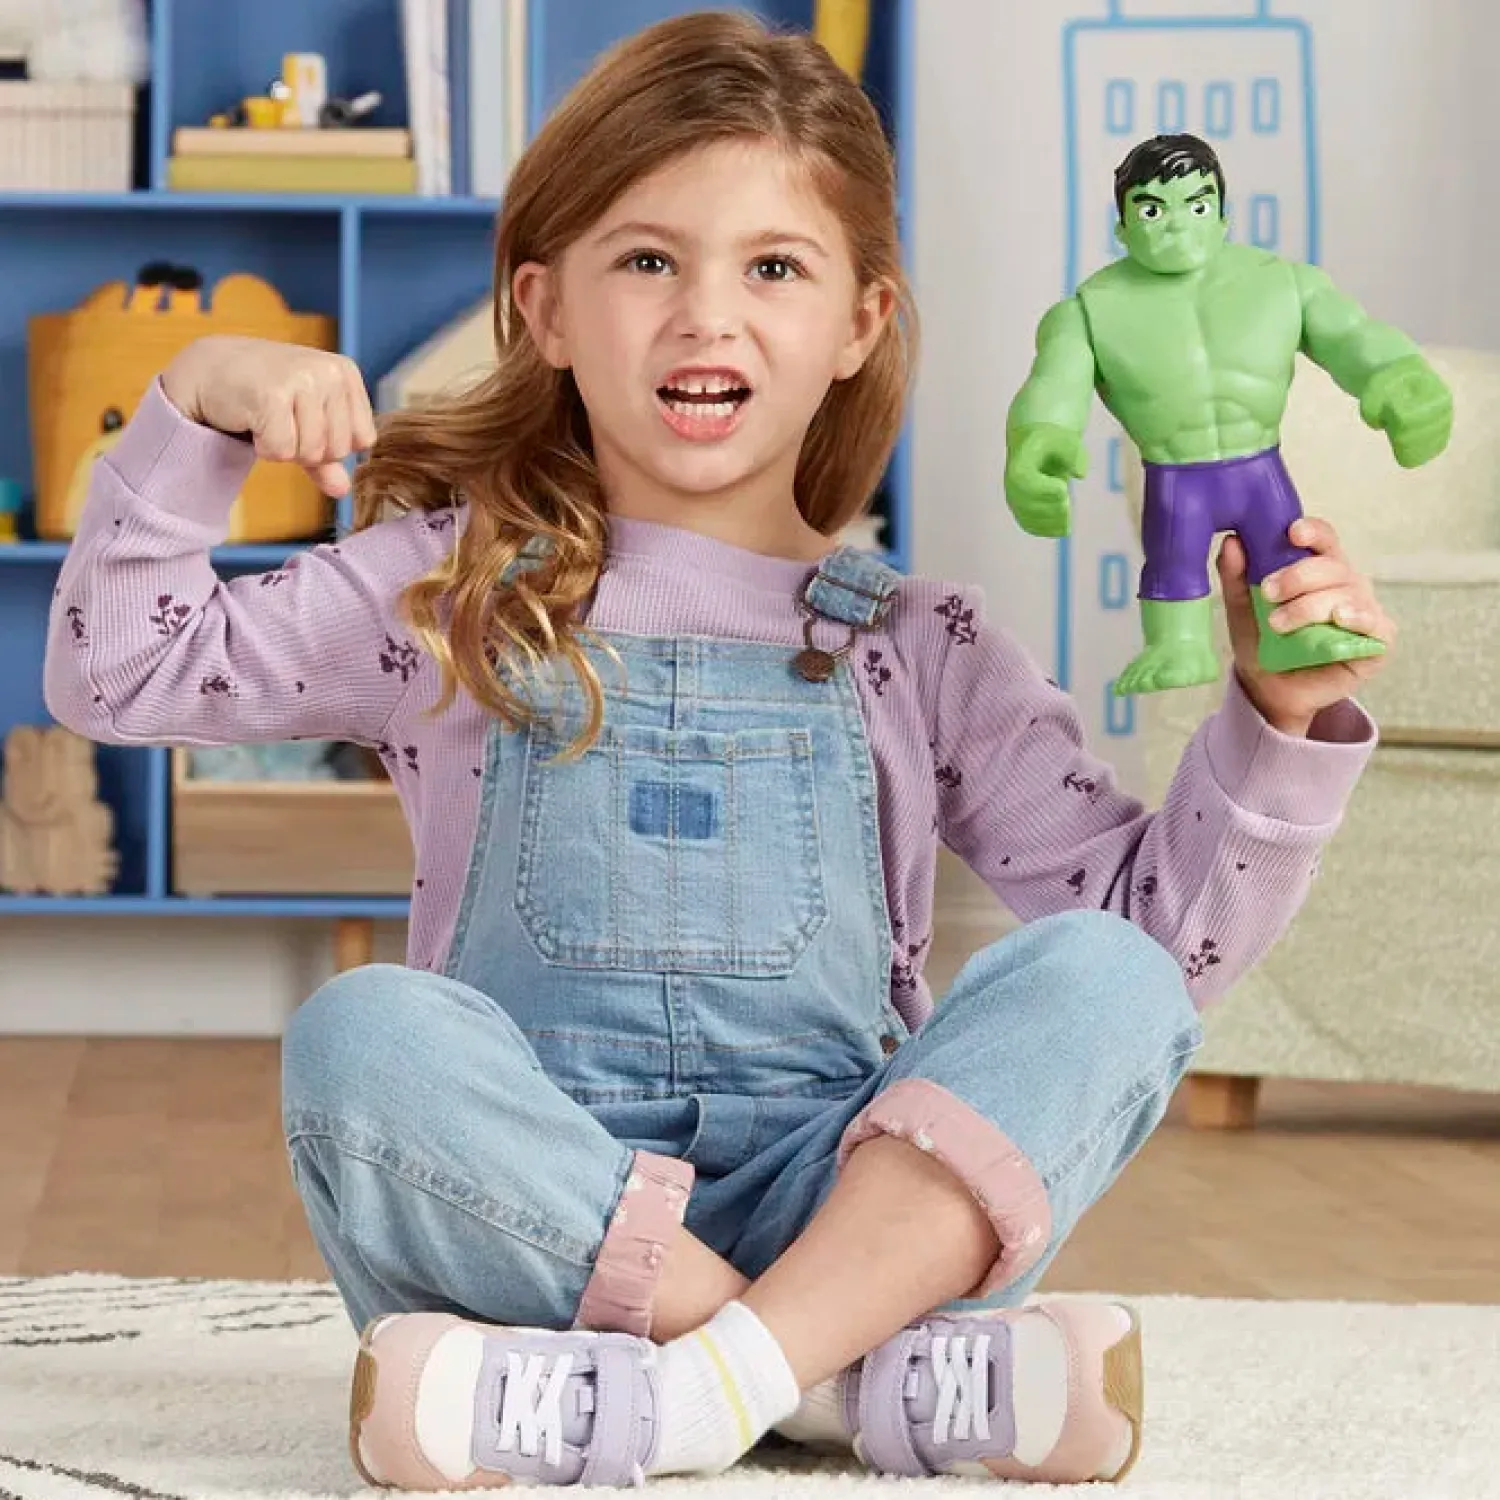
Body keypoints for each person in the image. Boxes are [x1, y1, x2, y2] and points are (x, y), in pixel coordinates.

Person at [43, 11, 1388, 1491]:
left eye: (773, 268)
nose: (706, 316)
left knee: (1105, 979)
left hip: (850, 1202)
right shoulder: (443, 592)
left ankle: (668, 1394)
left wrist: (1276, 719)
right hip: (533, 1220)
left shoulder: (924, 644)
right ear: (546, 310)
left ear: (860, 320)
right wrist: (194, 409)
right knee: (364, 1037)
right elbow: (121, 673)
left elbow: (1162, 949)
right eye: (646, 261)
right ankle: (834, 1380)